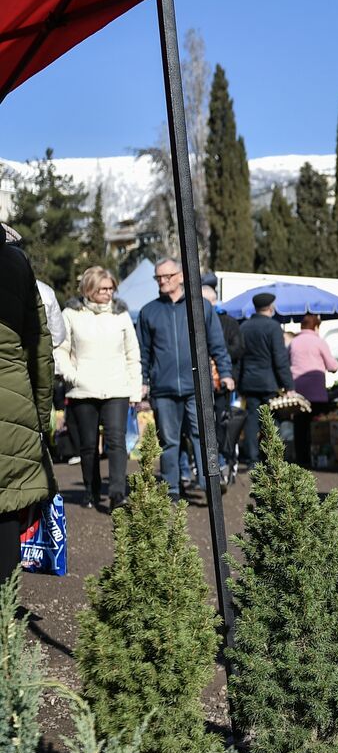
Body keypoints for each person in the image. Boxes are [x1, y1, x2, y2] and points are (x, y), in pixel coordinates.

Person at [137, 258, 231, 501]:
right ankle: (172, 489)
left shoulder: (200, 307)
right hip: (164, 387)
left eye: (167, 276)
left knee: (203, 436)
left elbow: (217, 343)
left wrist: (226, 373)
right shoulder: (149, 311)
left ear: (180, 276)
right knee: (169, 442)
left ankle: (209, 485)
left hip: (197, 386)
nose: (162, 281)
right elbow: (143, 351)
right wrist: (143, 380)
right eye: (158, 277)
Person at [55, 266, 141, 511]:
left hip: (116, 388)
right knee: (88, 445)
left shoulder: (121, 314)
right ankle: (91, 490)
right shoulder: (71, 313)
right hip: (83, 388)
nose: (108, 293)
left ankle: (117, 493)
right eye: (103, 288)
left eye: (111, 288)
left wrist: (134, 389)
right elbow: (60, 347)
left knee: (116, 440)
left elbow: (132, 354)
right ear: (89, 289)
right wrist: (72, 376)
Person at [0, 223, 55, 583]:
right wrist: (41, 415)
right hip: (12, 403)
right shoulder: (16, 264)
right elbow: (40, 347)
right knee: (5, 509)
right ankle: (5, 620)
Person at [237, 293, 294, 468]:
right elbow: (280, 359)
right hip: (269, 382)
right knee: (271, 419)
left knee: (252, 420)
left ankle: (253, 459)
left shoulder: (244, 327)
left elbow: (240, 357)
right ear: (270, 307)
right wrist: (289, 385)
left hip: (248, 381)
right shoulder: (273, 327)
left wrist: (238, 382)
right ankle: (271, 456)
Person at [202, 275, 243, 484]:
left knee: (223, 426)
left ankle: (226, 464)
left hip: (221, 385)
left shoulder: (229, 323)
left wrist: (216, 353)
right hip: (202, 385)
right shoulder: (195, 322)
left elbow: (238, 349)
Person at [290, 312, 338, 465]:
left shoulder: (294, 342)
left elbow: (285, 363)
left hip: (298, 394)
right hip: (317, 394)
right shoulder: (319, 342)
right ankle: (320, 459)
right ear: (316, 326)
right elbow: (333, 366)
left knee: (300, 430)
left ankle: (302, 461)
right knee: (318, 428)